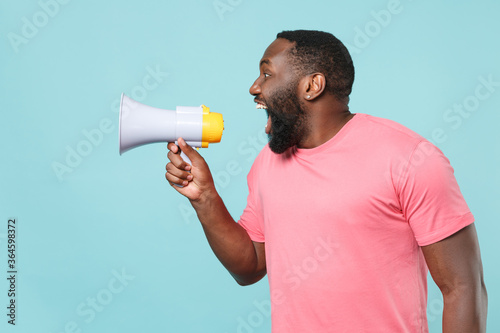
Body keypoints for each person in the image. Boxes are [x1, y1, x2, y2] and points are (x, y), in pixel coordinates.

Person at [165, 30, 487, 332]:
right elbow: (249, 267)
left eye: (267, 74)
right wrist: (205, 197)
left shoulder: (411, 158)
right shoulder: (267, 163)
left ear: (312, 86)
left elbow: (463, 286)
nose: (254, 87)